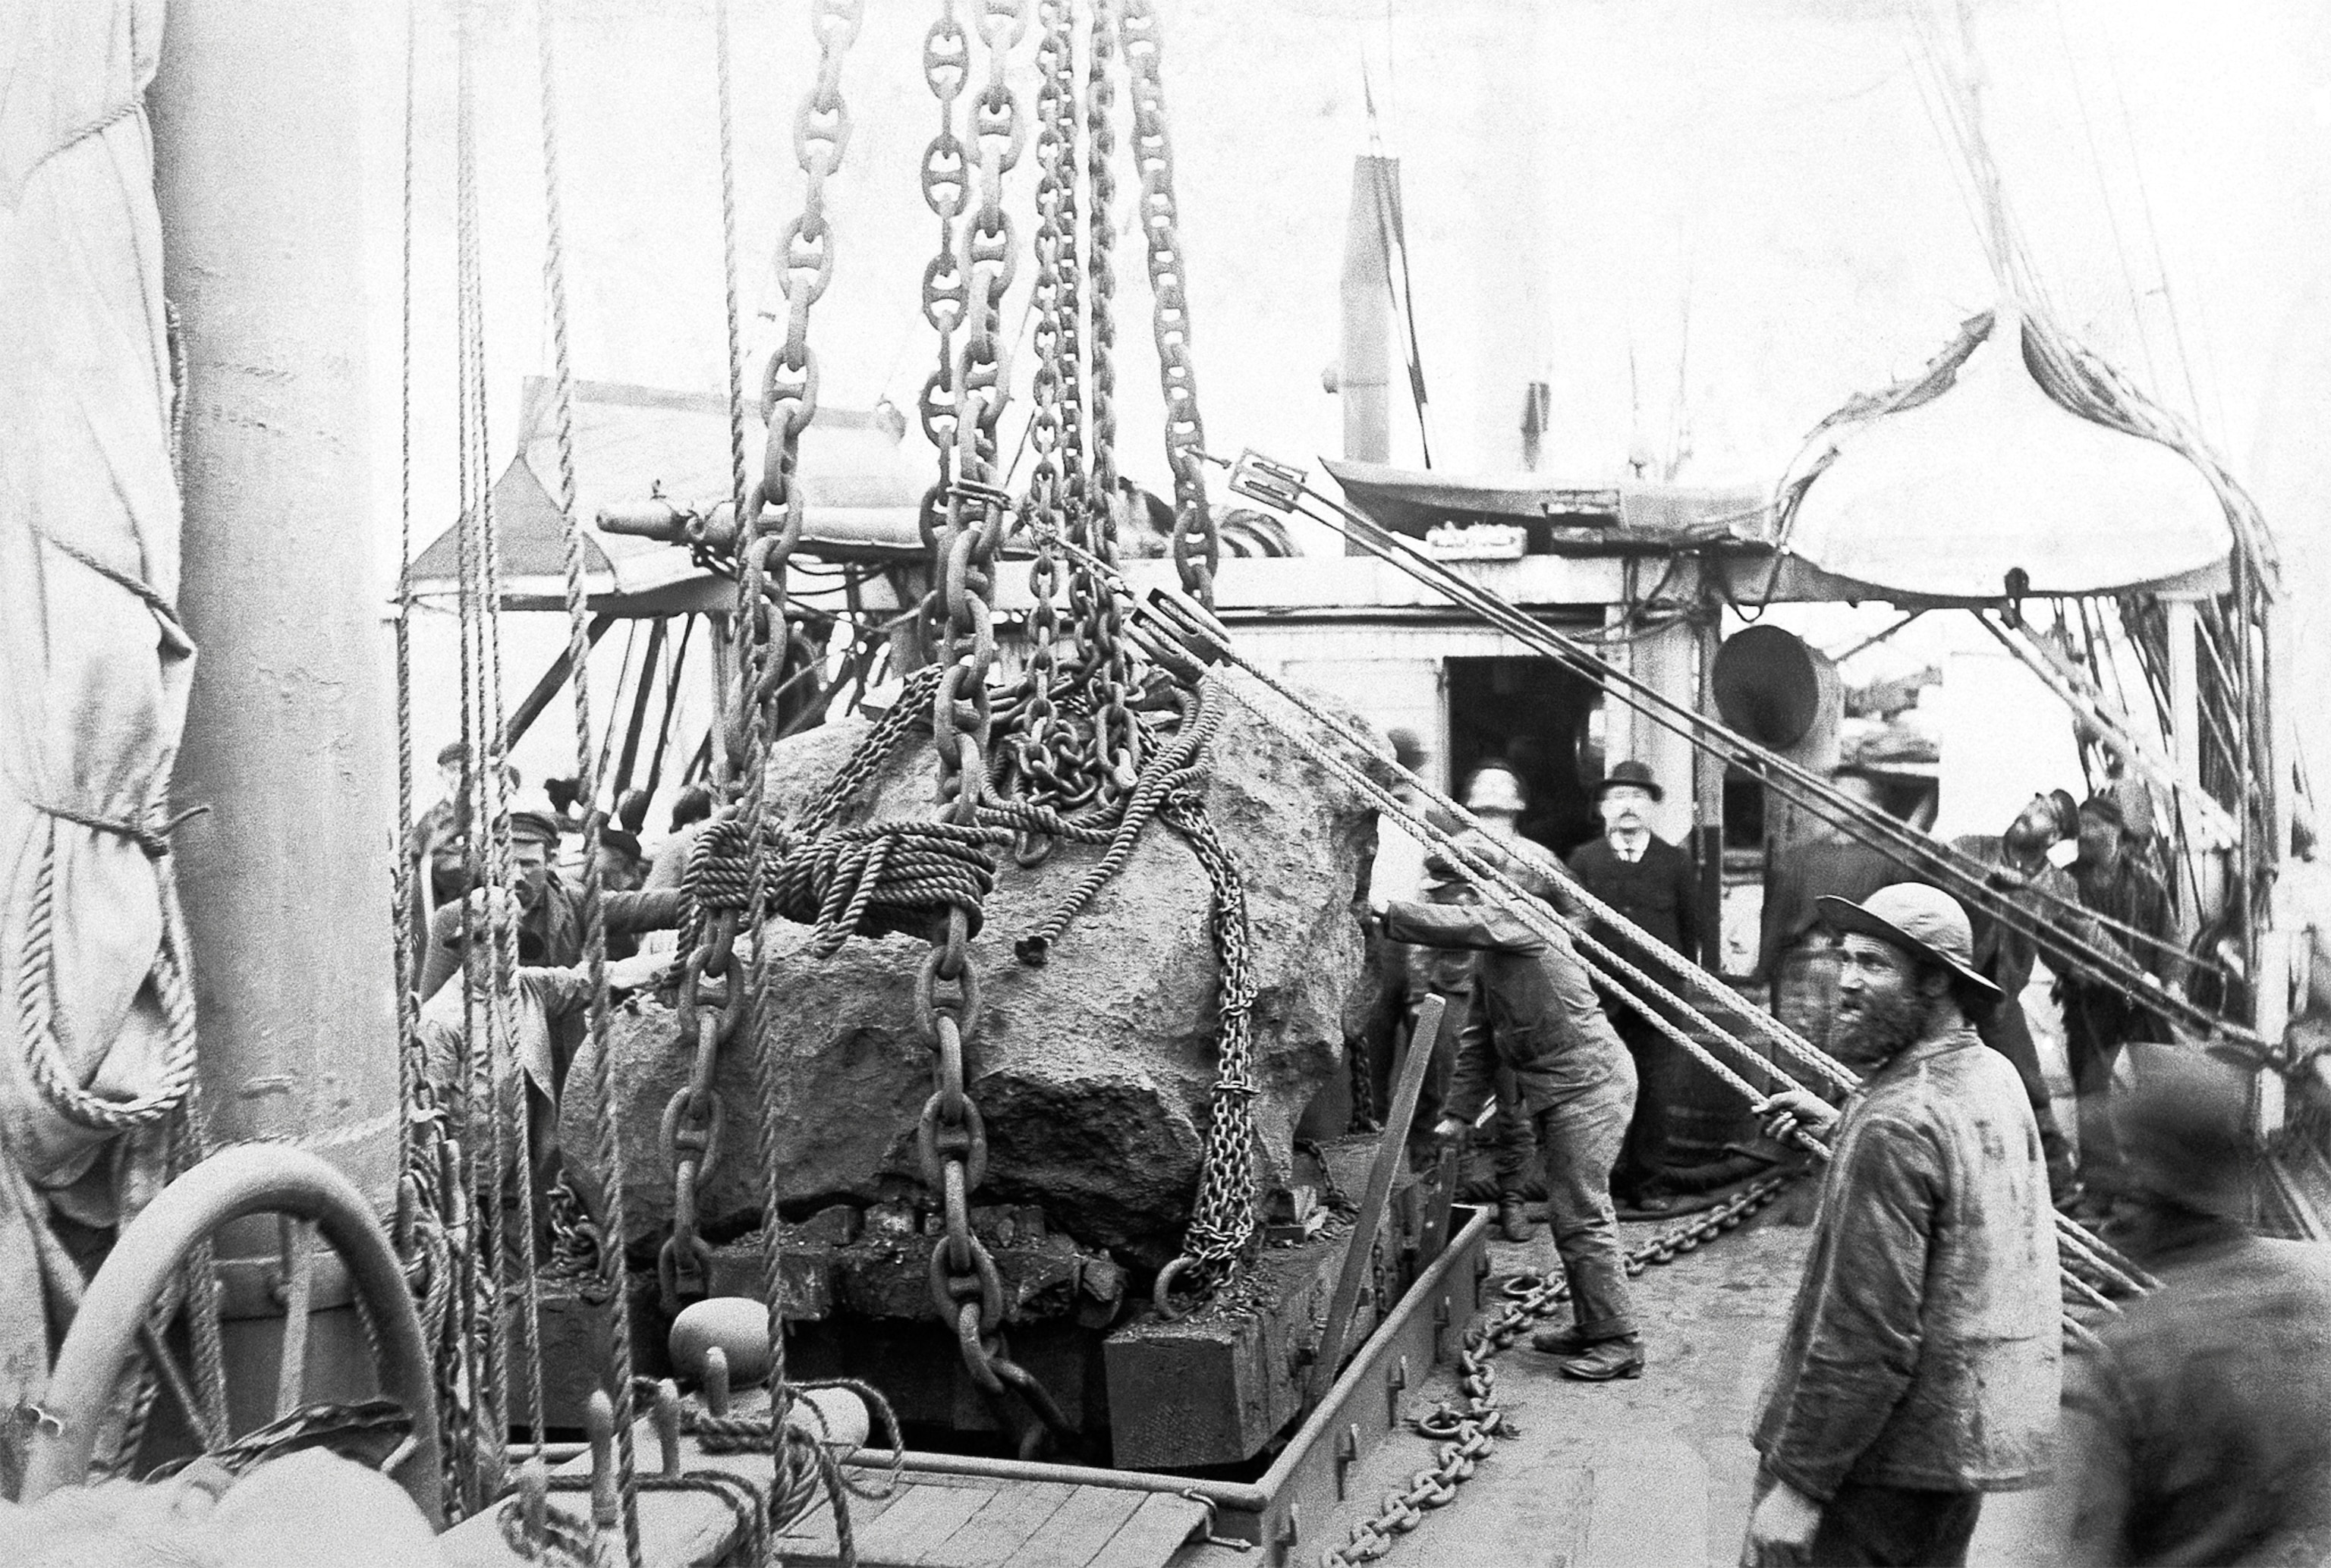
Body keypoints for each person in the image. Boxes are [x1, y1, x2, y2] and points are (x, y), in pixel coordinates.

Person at [1741, 883, 2059, 1568]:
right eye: (1845, 959)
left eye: (1874, 965)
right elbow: (1956, 1181)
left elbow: (1866, 1332)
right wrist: (1847, 1122)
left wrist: (1801, 1483)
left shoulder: (1897, 1123)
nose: (1845, 983)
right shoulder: (1990, 1074)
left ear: (1937, 980)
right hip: (1948, 1463)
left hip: (1872, 1470)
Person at [1382, 828, 1644, 1382]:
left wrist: (1381, 912)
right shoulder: (1491, 955)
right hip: (1564, 1088)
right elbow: (1479, 1036)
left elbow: (1470, 923)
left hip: (1589, 1085)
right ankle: (1595, 1323)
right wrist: (1456, 1112)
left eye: (1450, 894)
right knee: (1575, 1212)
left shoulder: (1523, 918)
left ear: (1476, 887)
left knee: (1581, 1212)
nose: (1446, 904)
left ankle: (1619, 1339)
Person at [2056, 1049, 2331, 1566]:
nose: (2110, 1213)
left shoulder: (2133, 1354)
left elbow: (2092, 1552)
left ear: (2148, 1191)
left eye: (2121, 1192)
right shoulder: (2315, 1291)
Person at [1947, 788, 2128, 1201]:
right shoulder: (1972, 848)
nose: (2029, 810)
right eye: (2033, 802)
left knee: (2031, 1091)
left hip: (1997, 1000)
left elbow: (2089, 933)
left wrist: (2137, 975)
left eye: (2044, 812)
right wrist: (1988, 882)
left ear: (2053, 838)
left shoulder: (2058, 886)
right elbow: (1937, 875)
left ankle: (2061, 1191)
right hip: (1946, 988)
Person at [1566, 759, 1700, 1213]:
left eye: (1639, 797)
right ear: (1603, 808)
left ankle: (1648, 1184)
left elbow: (1695, 929)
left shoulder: (1676, 862)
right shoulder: (1584, 860)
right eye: (1618, 797)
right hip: (1597, 999)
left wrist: (1679, 982)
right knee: (1598, 1092)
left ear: (1653, 809)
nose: (1628, 806)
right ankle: (1599, 1184)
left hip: (1657, 998)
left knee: (1654, 1090)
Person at [417, 806, 683, 1002]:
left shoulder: (572, 904)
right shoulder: (455, 919)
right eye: (508, 864)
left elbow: (639, 908)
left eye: (529, 865)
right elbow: (433, 1004)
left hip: (558, 1053)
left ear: (551, 861)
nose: (517, 876)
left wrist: (701, 898)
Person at [2059, 793, 2175, 1209]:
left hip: (2141, 998)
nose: (2085, 835)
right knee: (2092, 1088)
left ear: (2116, 832)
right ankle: (2102, 1184)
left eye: (2095, 827)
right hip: (2090, 1001)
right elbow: (2049, 936)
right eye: (2082, 827)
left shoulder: (2146, 883)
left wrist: (2172, 984)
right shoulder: (2064, 883)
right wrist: (2069, 968)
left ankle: (2165, 1178)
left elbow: (2169, 940)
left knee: (2163, 1079)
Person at [1755, 768, 1907, 1061]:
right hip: (1801, 967)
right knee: (1795, 1055)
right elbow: (1775, 918)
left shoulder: (1890, 859)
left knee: (1855, 1057)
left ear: (1873, 806)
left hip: (1860, 969)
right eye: (1831, 792)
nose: (1833, 800)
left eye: (1847, 793)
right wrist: (1764, 973)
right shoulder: (1801, 856)